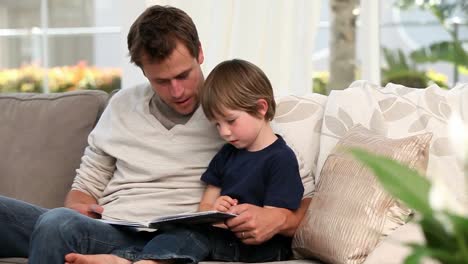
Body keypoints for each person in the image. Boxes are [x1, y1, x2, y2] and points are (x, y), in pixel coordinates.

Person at [0, 5, 311, 264]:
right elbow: (84, 189)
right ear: (143, 71)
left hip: (180, 237)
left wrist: (279, 220)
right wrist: (80, 207)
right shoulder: (121, 105)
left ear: (199, 53)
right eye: (161, 81)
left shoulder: (234, 110)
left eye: (183, 75)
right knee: (51, 220)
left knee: (55, 226)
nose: (176, 91)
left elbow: (304, 198)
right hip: (111, 226)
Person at [68, 59, 304, 264]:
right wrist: (217, 208)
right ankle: (127, 258)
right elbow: (205, 207)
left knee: (193, 235)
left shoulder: (281, 159)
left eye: (230, 121)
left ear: (261, 108)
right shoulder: (227, 153)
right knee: (185, 230)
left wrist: (245, 218)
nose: (224, 132)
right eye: (217, 125)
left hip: (261, 248)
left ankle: (139, 260)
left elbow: (271, 221)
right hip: (222, 237)